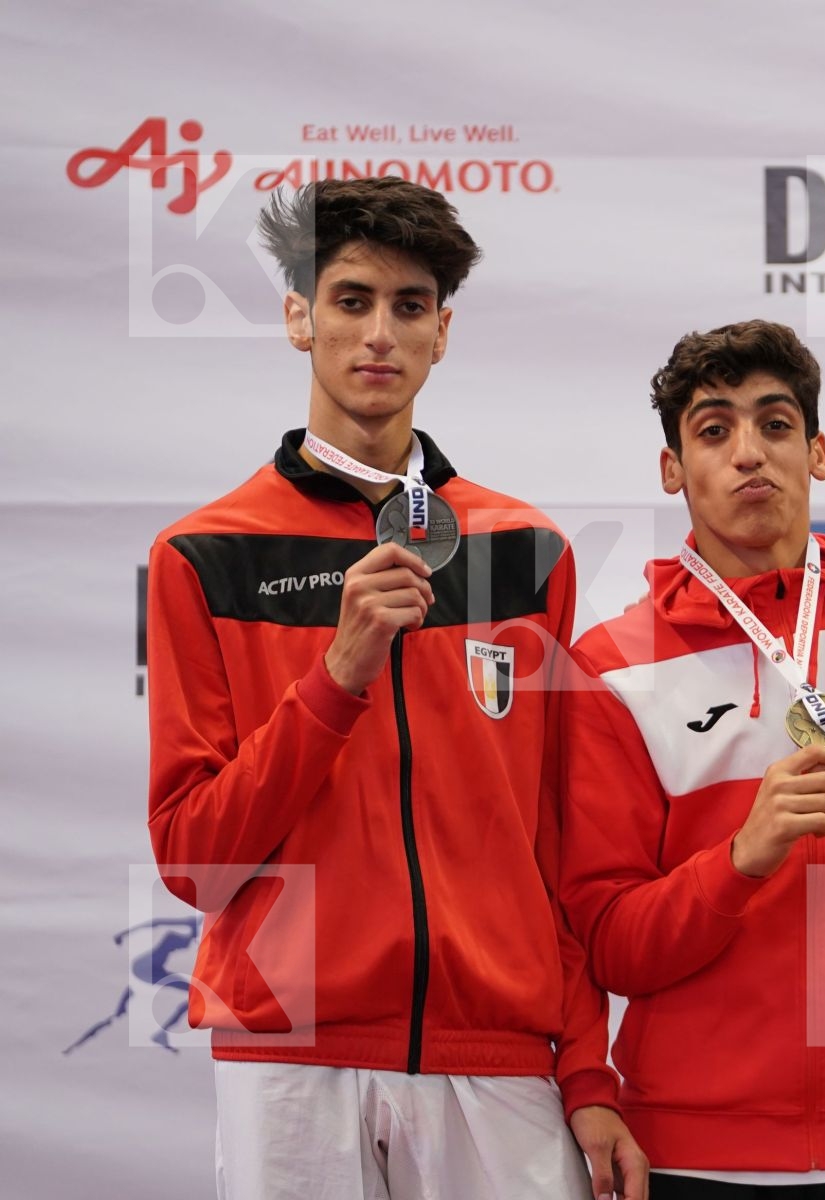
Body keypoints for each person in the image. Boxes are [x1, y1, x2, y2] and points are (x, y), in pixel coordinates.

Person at [145, 177, 645, 1200]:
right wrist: (338, 675)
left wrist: (588, 1067)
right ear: (298, 316)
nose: (379, 333)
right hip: (291, 1056)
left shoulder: (527, 552)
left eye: (409, 306)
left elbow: (556, 845)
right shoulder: (202, 555)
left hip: (497, 1053)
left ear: (442, 332)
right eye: (351, 299)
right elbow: (195, 862)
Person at [559, 319, 825, 1198]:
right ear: (673, 470)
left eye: (775, 424)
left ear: (818, 451)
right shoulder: (613, 667)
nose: (748, 452)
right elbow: (608, 947)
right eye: (714, 430)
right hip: (693, 1153)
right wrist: (740, 861)